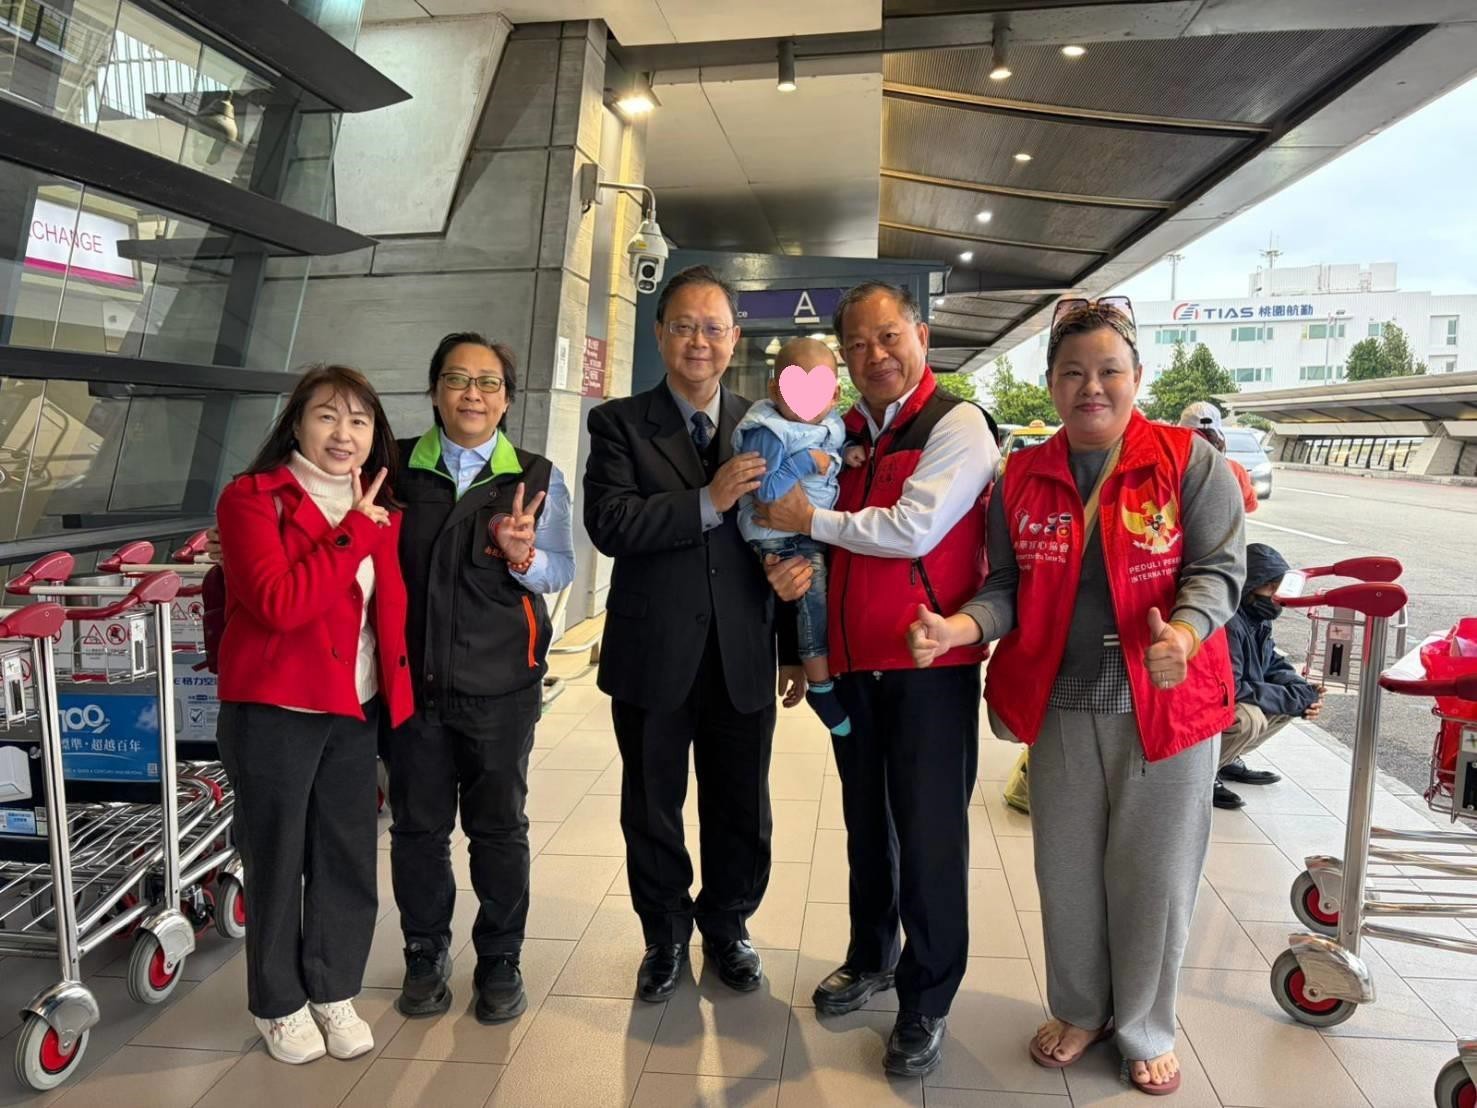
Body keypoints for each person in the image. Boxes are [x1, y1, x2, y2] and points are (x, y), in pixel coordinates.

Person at [906, 297, 1245, 1095]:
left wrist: (1184, 636)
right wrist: (959, 629)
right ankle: (1081, 1009)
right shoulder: (1020, 474)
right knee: (1064, 872)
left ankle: (1146, 1026)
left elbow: (1219, 570)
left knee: (1153, 877)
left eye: (1108, 372)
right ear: (1051, 385)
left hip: (1164, 704)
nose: (1091, 387)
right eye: (1072, 374)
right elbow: (1004, 587)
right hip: (1060, 705)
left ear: (1137, 379)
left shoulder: (1189, 462)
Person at [758, 281, 998, 1078]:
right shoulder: (846, 431)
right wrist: (795, 613)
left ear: (920, 335)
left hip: (930, 668)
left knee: (929, 836)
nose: (874, 356)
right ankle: (872, 957)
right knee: (868, 827)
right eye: (856, 345)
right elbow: (815, 553)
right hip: (853, 667)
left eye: (887, 337)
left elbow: (913, 527)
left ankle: (926, 999)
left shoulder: (956, 425)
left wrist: (808, 523)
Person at [583, 265, 804, 1003]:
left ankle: (729, 928)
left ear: (734, 337)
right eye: (684, 326)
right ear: (660, 334)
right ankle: (663, 935)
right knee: (651, 804)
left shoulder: (768, 425)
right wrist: (705, 502)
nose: (699, 342)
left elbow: (790, 537)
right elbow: (610, 524)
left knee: (740, 802)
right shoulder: (618, 423)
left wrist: (798, 636)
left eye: (713, 328)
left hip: (741, 651)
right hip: (653, 654)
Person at [214, 364, 414, 1065]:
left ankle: (333, 987)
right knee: (277, 859)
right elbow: (278, 604)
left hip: (353, 707)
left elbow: (383, 615)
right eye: (328, 416)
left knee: (347, 855)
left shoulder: (378, 506)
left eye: (359, 420)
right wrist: (353, 533)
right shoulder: (250, 499)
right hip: (274, 709)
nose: (344, 433)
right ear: (296, 422)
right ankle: (278, 1002)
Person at [385, 332, 576, 1023]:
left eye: (488, 383)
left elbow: (561, 570)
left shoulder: (535, 475)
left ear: (506, 400)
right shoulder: (395, 468)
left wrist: (525, 558)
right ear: (435, 389)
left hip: (501, 689)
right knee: (417, 830)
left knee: (498, 830)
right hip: (414, 689)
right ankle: (423, 953)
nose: (473, 394)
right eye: (458, 379)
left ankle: (499, 959)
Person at [734, 336, 856, 737]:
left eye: (818, 386)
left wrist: (845, 456)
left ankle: (820, 675)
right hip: (779, 535)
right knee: (814, 601)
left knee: (820, 599)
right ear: (774, 389)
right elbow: (765, 492)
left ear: (835, 393)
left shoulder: (829, 425)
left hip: (808, 530)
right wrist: (806, 461)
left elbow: (830, 454)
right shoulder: (768, 430)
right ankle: (821, 686)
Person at [1215, 542, 1325, 809]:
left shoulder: (1256, 618)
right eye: (1269, 587)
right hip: (1214, 701)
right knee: (1247, 720)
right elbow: (1233, 687)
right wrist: (1289, 696)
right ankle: (1205, 773)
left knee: (1296, 702)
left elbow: (1272, 663)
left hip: (1236, 692)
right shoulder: (1229, 623)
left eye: (1279, 587)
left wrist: (1299, 689)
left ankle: (1227, 760)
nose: (1275, 595)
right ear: (1248, 586)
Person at [1179, 401, 1257, 514]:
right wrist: (1252, 488)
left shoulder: (1170, 468)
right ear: (1218, 436)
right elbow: (1250, 505)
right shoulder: (1234, 469)